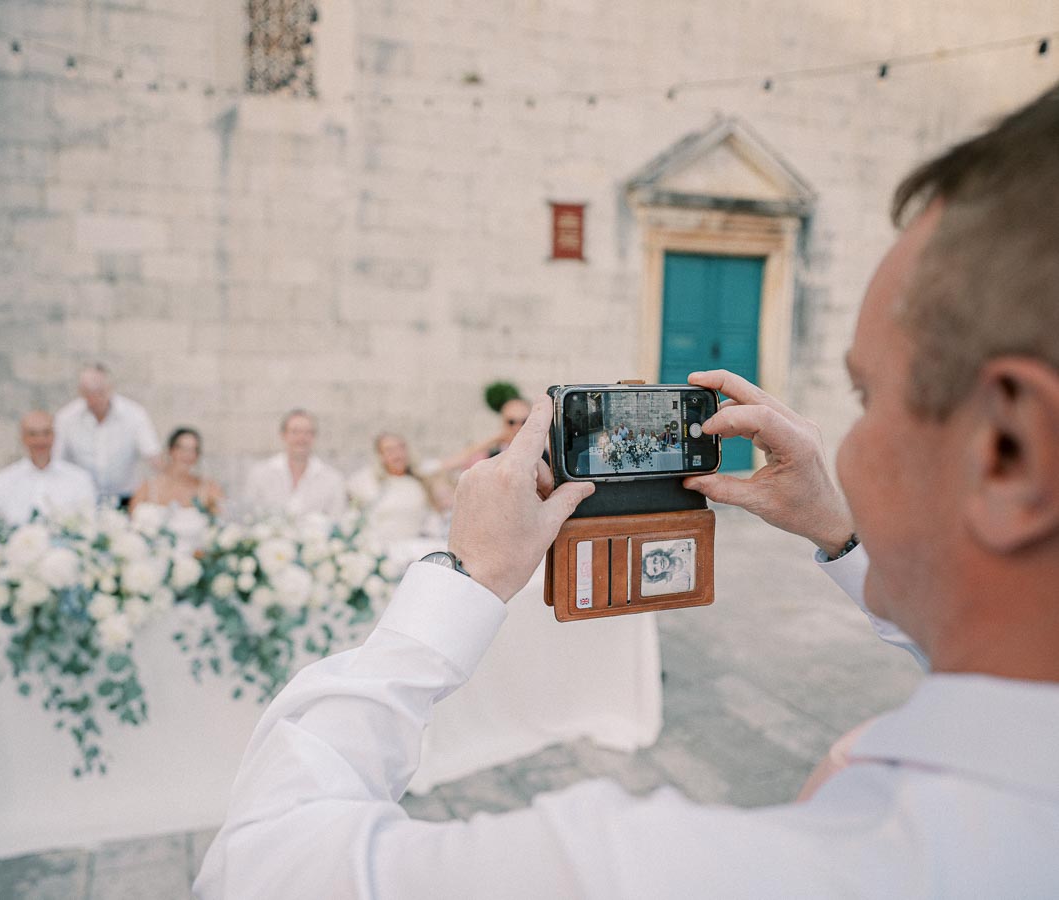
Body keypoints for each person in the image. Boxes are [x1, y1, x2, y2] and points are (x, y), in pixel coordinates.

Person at [195, 83, 1059, 897]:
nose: (843, 444)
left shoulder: (652, 870)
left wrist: (465, 582)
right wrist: (839, 533)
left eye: (867, 398)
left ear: (1010, 450)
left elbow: (261, 865)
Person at [52, 364, 161, 507]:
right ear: (80, 392)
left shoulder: (135, 414)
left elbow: (153, 456)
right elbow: (56, 460)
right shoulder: (66, 418)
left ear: (110, 389)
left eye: (99, 392)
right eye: (88, 392)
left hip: (125, 498)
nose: (94, 398)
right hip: (81, 500)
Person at [0, 411, 96, 526]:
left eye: (46, 433)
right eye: (33, 434)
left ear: (54, 436)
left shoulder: (79, 479)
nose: (40, 440)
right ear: (22, 438)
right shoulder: (2, 481)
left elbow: (88, 526)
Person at [243, 409, 347, 520]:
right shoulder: (260, 474)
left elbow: (337, 522)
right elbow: (249, 518)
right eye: (295, 432)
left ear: (314, 437)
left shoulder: (333, 479)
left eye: (307, 433)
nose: (301, 438)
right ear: (283, 435)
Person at [347, 432, 443, 543]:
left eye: (401, 448)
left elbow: (431, 520)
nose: (397, 454)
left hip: (414, 547)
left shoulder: (419, 482)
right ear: (380, 455)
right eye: (389, 450)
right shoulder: (366, 480)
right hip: (378, 547)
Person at [130, 427, 224, 515]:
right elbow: (132, 521)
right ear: (171, 450)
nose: (188, 455)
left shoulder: (209, 488)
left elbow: (221, 521)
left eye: (194, 450)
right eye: (183, 449)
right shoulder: (148, 488)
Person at [437, 395, 533, 472]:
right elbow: (446, 466)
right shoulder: (490, 454)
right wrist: (494, 439)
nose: (518, 427)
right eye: (511, 422)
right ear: (503, 423)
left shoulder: (544, 454)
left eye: (524, 422)